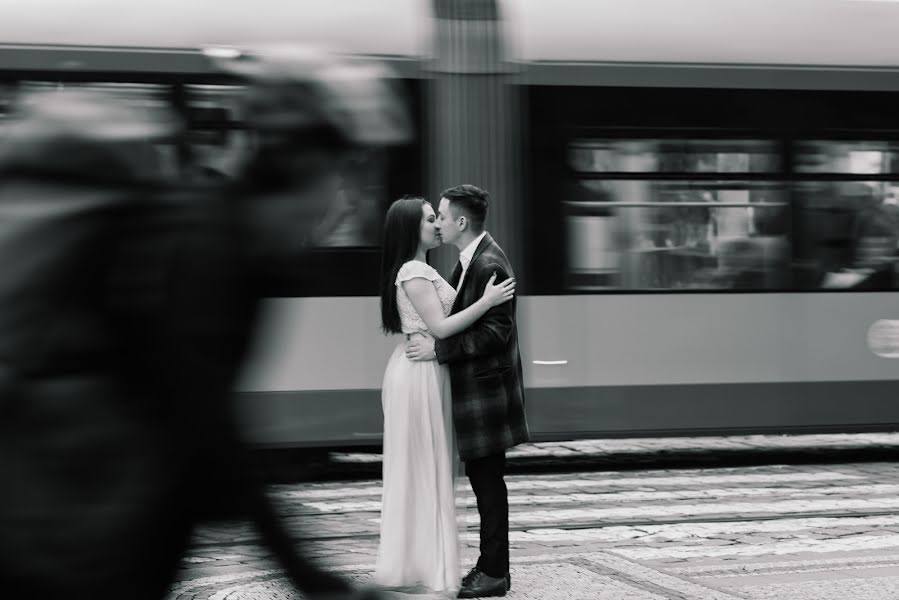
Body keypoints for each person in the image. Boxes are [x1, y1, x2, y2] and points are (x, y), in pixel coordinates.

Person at [0, 43, 411, 600]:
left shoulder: (233, 248)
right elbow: (208, 427)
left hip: (107, 537)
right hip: (71, 546)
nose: (344, 196)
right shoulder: (205, 249)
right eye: (344, 171)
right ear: (302, 161)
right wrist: (315, 582)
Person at [375, 196, 515, 597]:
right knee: (427, 468)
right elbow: (439, 327)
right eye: (428, 219)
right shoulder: (414, 269)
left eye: (438, 217)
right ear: (409, 228)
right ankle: (431, 562)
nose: (436, 224)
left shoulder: (427, 268)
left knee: (428, 468)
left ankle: (428, 560)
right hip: (420, 375)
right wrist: (487, 301)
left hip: (425, 372)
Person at [405, 184, 529, 599]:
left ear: (461, 222)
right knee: (485, 480)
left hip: (486, 394)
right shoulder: (470, 260)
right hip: (480, 393)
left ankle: (494, 572)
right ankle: (491, 567)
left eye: (440, 215)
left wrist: (439, 349)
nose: (438, 223)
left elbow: (496, 333)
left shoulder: (488, 263)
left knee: (488, 482)